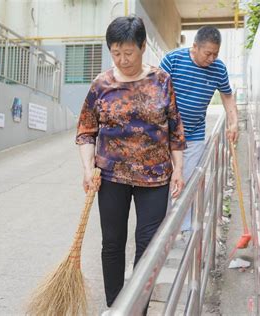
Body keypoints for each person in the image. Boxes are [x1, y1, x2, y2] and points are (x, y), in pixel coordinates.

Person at [75, 16, 186, 310]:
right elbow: (86, 131)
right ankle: (115, 306)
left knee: (147, 247)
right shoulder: (101, 85)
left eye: (129, 52)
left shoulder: (162, 81)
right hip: (111, 178)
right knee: (112, 243)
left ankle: (138, 307)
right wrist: (88, 169)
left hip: (155, 178)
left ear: (142, 47)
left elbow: (175, 130)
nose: (123, 60)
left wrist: (179, 170)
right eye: (116, 53)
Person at [160, 26, 238, 235]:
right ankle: (161, 231)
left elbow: (227, 95)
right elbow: (155, 92)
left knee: (186, 183)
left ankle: (183, 230)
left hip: (194, 135)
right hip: (165, 134)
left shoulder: (218, 69)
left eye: (216, 54)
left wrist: (233, 121)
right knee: (162, 184)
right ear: (194, 47)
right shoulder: (173, 60)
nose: (212, 58)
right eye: (208, 53)